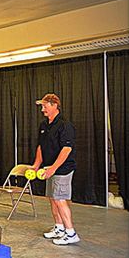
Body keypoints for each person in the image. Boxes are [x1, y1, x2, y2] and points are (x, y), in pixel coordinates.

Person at [31, 93, 79, 245]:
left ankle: (71, 233)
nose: (42, 110)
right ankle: (59, 228)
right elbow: (41, 147)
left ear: (54, 105)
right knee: (52, 199)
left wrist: (53, 168)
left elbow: (66, 149)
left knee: (60, 199)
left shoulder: (65, 125)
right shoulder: (44, 125)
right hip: (48, 168)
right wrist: (36, 165)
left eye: (45, 106)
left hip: (62, 168)